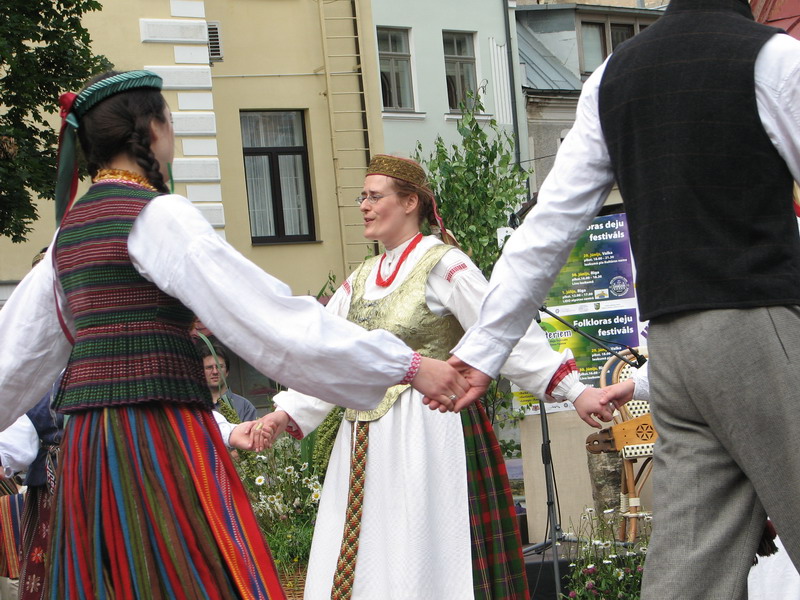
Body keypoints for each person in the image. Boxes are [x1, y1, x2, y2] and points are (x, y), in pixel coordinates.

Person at [0, 71, 469, 598]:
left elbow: (14, 358)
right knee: (198, 578)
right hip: (158, 433)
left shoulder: (69, 234)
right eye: (169, 119)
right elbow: (270, 322)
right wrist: (407, 365)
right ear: (152, 130)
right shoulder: (159, 216)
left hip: (89, 445)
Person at [447, 1, 800, 599]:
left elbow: (548, 227)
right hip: (759, 327)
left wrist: (485, 349)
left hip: (673, 348)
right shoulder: (774, 56)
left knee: (690, 569)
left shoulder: (613, 73)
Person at [258, 155, 613, 599]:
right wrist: (285, 413)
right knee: (372, 554)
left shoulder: (443, 264)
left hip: (431, 429)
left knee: (424, 549)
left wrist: (573, 391)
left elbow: (502, 329)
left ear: (410, 202)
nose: (364, 206)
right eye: (363, 197)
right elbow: (329, 356)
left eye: (375, 196)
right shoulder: (360, 279)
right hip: (365, 440)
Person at [198, 343, 259, 422]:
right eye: (209, 367)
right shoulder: (193, 406)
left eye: (219, 366)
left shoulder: (244, 406)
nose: (215, 371)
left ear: (227, 371)